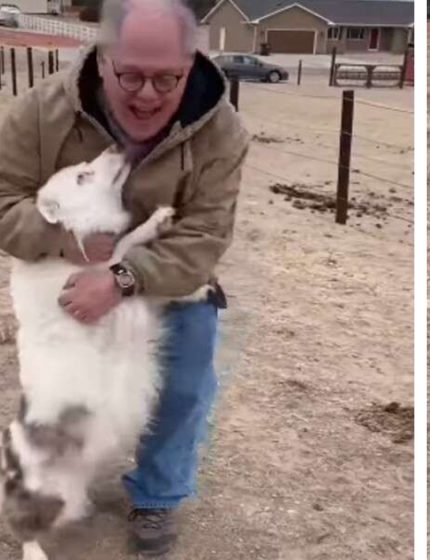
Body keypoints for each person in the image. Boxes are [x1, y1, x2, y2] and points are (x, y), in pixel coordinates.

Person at [0, 0, 250, 555]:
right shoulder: (40, 113)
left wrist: (120, 279)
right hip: (63, 277)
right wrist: (63, 241)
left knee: (186, 378)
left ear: (192, 65)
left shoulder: (221, 131)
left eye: (168, 78)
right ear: (104, 59)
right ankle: (40, 486)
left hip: (160, 274)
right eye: (132, 75)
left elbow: (205, 236)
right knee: (59, 396)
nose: (148, 93)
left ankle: (158, 495)